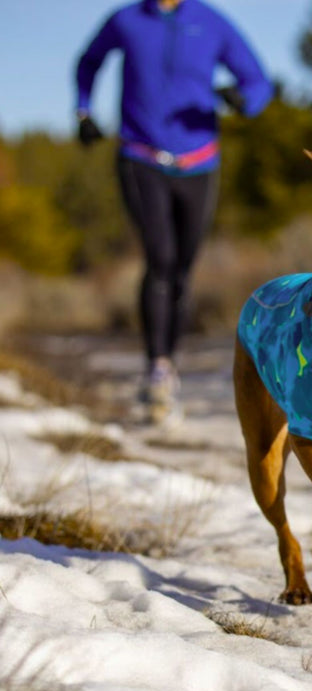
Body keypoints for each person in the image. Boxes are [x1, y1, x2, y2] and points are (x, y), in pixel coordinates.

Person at [75, 0, 272, 422]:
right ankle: (157, 368)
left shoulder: (210, 22)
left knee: (182, 267)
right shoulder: (126, 19)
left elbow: (258, 81)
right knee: (160, 258)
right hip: (140, 156)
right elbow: (88, 61)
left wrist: (243, 100)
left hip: (199, 162)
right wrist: (83, 109)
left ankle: (170, 364)